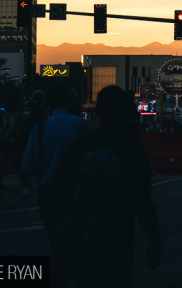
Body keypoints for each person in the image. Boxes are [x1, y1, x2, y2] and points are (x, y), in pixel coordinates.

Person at [54, 85, 160, 288]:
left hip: (80, 239)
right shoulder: (132, 152)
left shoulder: (78, 148)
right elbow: (144, 202)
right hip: (118, 242)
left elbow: (63, 198)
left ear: (98, 113)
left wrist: (61, 245)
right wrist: (155, 241)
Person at [22, 83, 90, 257]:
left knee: (54, 239)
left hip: (47, 192)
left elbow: (27, 166)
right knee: (75, 240)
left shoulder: (40, 129)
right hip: (75, 192)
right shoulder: (80, 125)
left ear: (47, 103)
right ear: (68, 101)